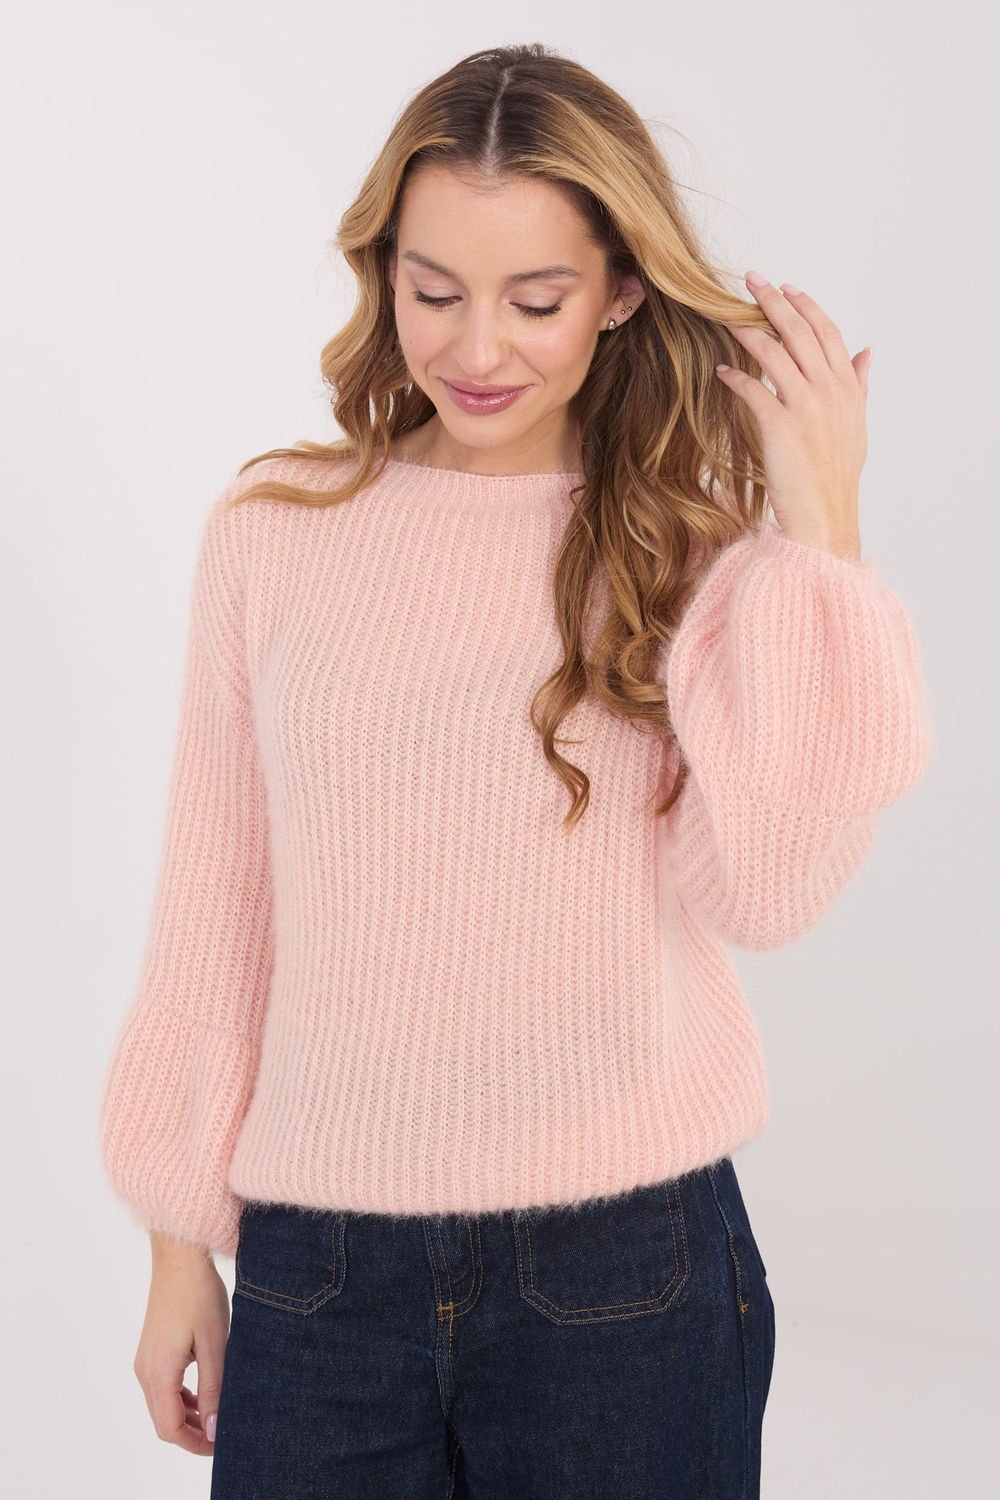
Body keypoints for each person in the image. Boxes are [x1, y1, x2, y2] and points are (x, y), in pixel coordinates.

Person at [97, 41, 933, 1499]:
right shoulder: (275, 527)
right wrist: (180, 1246)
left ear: (621, 292)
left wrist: (824, 534)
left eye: (537, 301)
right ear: (384, 273)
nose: (478, 350)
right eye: (435, 292)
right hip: (317, 1269)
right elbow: (215, 908)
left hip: (621, 1268)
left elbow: (772, 892)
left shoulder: (687, 549)